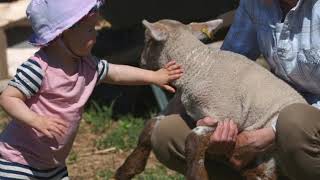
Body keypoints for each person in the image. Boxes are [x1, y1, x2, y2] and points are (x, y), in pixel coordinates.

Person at [0, 0, 183, 179]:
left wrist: (154, 76)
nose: (95, 35)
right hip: (18, 161)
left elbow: (116, 73)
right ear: (61, 35)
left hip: (53, 166)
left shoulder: (87, 65)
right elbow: (9, 97)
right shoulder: (39, 69)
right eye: (89, 29)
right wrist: (35, 120)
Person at [151, 0, 320, 179]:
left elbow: (290, 122)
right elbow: (226, 66)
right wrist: (209, 115)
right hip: (274, 110)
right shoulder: (256, 4)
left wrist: (271, 132)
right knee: (168, 134)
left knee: (293, 122)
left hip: (303, 121)